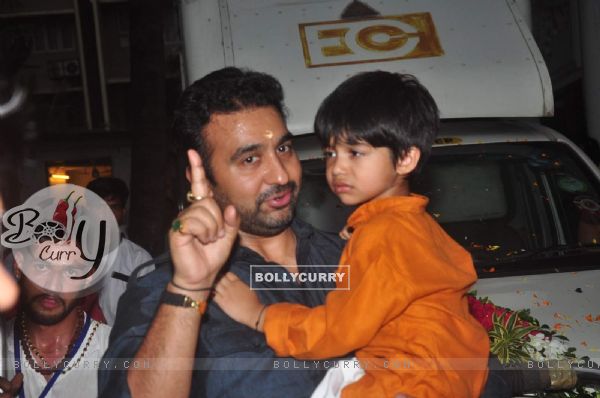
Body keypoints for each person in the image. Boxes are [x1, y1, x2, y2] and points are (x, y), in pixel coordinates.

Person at [214, 71, 490, 397]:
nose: (337, 168)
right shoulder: (413, 225)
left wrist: (260, 316)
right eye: (331, 153)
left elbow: (342, 329)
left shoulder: (387, 234)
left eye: (355, 153)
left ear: (405, 158)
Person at [99, 67, 345, 398]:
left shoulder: (351, 256)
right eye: (250, 159)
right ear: (201, 177)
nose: (279, 174)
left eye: (283, 149)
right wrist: (190, 288)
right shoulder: (160, 292)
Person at [1, 242, 111, 397]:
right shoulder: (2, 344)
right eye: (42, 266)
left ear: (87, 279)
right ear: (19, 266)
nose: (53, 285)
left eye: (70, 271)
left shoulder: (114, 349)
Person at [86, 177, 153, 325]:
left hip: (119, 344)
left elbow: (146, 315)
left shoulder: (139, 260)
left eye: (113, 207)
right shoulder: (70, 254)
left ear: (123, 212)